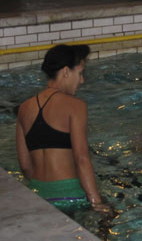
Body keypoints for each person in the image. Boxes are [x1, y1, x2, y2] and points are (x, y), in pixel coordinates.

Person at [16, 44, 107, 212]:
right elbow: (82, 159)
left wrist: (45, 189)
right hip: (70, 196)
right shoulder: (76, 106)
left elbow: (25, 165)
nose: (82, 80)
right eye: (79, 73)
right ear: (66, 72)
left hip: (39, 195)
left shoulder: (24, 108)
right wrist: (96, 203)